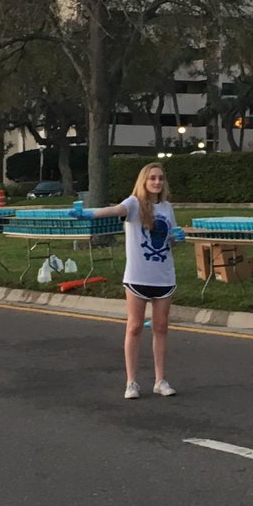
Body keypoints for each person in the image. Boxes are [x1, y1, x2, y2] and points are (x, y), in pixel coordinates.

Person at [72, 163, 186, 399]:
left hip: (163, 276)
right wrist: (89, 214)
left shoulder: (167, 208)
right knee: (134, 327)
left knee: (161, 327)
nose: (157, 182)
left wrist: (178, 238)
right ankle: (131, 382)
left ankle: (160, 380)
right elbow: (115, 210)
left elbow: (170, 240)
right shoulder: (134, 203)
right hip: (137, 276)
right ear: (144, 181)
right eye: (152, 178)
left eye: (160, 178)